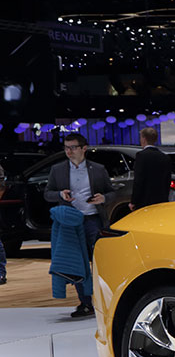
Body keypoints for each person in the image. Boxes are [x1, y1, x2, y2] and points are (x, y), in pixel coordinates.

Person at [44, 133, 113, 317]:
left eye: (73, 147)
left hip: (93, 220)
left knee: (100, 262)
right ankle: (85, 303)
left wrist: (103, 198)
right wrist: (60, 195)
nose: (69, 151)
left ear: (84, 148)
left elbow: (112, 193)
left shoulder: (98, 169)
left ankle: (105, 301)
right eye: (66, 147)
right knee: (76, 264)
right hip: (70, 222)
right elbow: (47, 193)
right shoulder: (57, 170)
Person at [130, 126, 170, 211]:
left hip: (145, 201)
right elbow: (167, 181)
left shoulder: (141, 156)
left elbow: (138, 180)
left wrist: (133, 201)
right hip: (161, 200)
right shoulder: (165, 157)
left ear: (144, 139)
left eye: (141, 137)